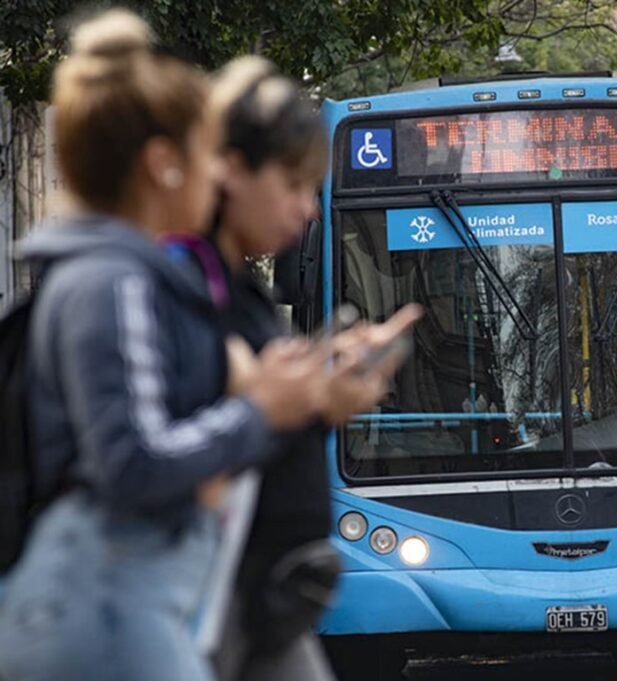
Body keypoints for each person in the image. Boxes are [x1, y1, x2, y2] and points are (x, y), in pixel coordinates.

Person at [0, 11, 352, 681]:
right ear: (164, 166)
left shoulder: (118, 276)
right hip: (109, 611)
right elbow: (134, 459)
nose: (214, 176)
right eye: (205, 154)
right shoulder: (114, 281)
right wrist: (263, 410)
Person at [180, 57, 420, 680]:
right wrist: (281, 405)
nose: (310, 209)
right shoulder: (175, 287)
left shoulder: (238, 287)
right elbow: (170, 450)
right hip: (202, 606)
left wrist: (322, 392)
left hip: (265, 604)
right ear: (231, 172)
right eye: (293, 185)